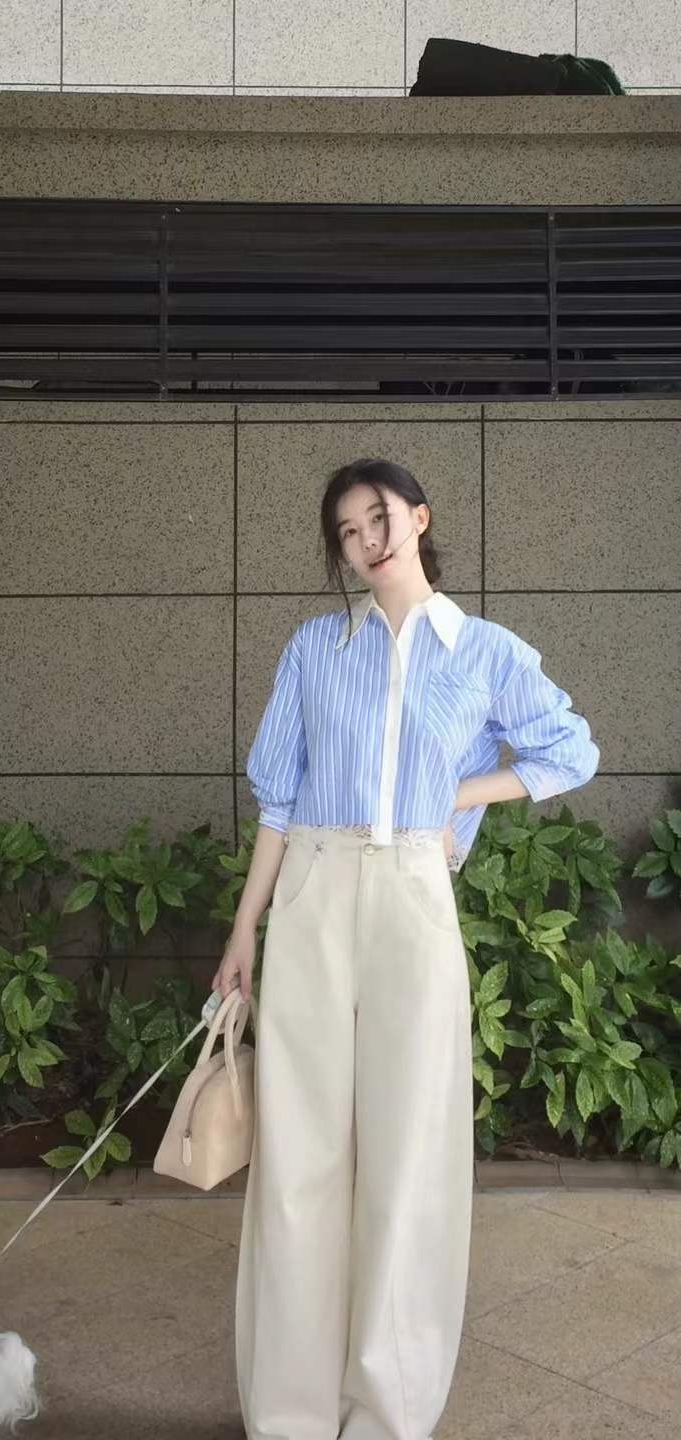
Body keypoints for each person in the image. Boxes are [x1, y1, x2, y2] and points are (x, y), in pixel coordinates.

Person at [214, 457, 599, 1440]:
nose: (365, 541)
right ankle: (291, 1415)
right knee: (298, 1158)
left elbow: (570, 750)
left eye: (378, 517)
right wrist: (245, 929)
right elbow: (278, 800)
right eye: (346, 531)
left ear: (420, 519)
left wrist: (458, 795)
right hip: (311, 887)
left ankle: (386, 1415)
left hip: (412, 896)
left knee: (410, 1155)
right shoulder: (314, 647)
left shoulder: (483, 651)